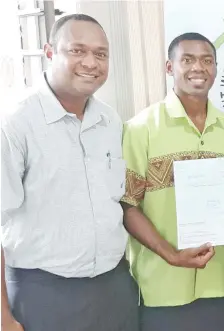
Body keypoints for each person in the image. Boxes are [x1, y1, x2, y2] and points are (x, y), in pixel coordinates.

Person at [1, 14, 139, 331]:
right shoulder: (15, 123)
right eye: (77, 50)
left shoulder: (110, 121)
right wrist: (3, 318)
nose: (91, 62)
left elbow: (116, 200)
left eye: (101, 54)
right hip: (44, 295)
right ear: (50, 52)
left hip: (113, 289)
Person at [120, 32, 224, 331]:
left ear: (215, 67)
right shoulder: (140, 129)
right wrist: (172, 255)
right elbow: (128, 205)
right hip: (161, 289)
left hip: (220, 285)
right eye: (187, 60)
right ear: (169, 67)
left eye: (206, 60)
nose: (197, 68)